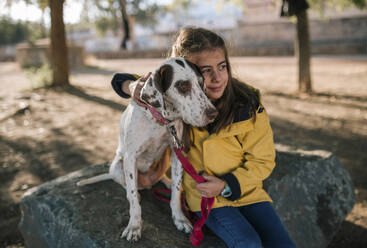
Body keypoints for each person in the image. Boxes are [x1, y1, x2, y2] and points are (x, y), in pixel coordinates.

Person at [111, 27, 296, 248]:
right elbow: (134, 81)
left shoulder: (249, 106)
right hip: (207, 200)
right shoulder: (176, 101)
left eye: (222, 66)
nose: (217, 78)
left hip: (249, 193)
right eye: (206, 71)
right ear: (186, 70)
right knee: (249, 243)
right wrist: (130, 86)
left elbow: (263, 160)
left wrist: (228, 184)